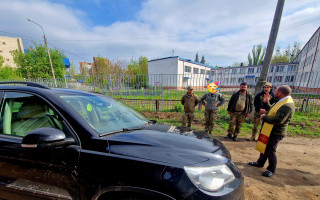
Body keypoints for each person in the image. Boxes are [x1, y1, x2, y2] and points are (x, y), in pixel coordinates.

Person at [248, 85, 295, 177]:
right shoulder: (281, 102)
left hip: (276, 132)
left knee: (270, 150)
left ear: (280, 93)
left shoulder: (287, 105)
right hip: (269, 130)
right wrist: (266, 102)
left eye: (276, 91)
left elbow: (278, 120)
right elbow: (271, 110)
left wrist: (264, 117)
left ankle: (271, 169)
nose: (274, 93)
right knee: (264, 146)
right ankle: (260, 163)